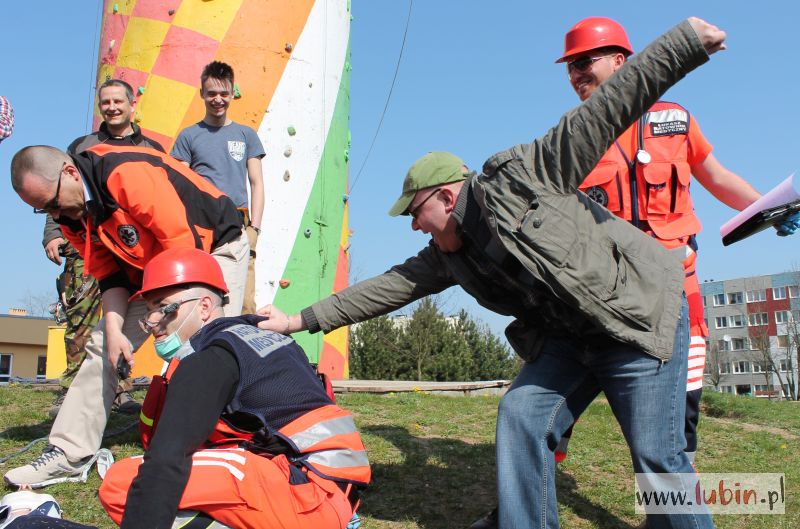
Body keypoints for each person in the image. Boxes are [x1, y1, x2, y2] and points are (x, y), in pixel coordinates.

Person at [256, 18, 727, 529]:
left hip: (635, 319)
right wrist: (296, 320)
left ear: (446, 196)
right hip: (570, 339)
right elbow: (382, 290)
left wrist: (685, 44)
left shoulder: (526, 176)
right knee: (522, 416)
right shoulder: (447, 255)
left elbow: (611, 107)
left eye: (415, 213)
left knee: (659, 459)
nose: (414, 226)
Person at [550, 15, 800, 468]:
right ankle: (528, 496)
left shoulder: (675, 121)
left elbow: (716, 176)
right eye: (569, 67)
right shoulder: (572, 137)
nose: (575, 75)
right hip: (608, 294)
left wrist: (766, 208)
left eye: (584, 61)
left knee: (678, 419)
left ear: (621, 61)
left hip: (677, 289)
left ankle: (665, 516)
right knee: (551, 414)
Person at [5, 142, 249, 488]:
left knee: (208, 340)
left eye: (54, 204)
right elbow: (111, 277)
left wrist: (163, 311)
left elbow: (186, 253)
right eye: (44, 211)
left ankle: (224, 441)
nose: (56, 217)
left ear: (70, 173)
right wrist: (116, 333)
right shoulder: (73, 216)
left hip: (212, 248)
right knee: (101, 345)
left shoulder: (126, 174)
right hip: (153, 270)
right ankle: (69, 453)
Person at [97, 247, 370, 529]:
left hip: (310, 498)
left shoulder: (212, 357)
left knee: (123, 483)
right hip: (335, 491)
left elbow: (166, 458)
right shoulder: (263, 338)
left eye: (163, 307)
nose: (153, 322)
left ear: (203, 307)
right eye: (149, 310)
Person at [43, 79, 166, 418]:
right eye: (105, 102)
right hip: (87, 242)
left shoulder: (151, 147)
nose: (111, 107)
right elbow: (60, 192)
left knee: (127, 318)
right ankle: (72, 390)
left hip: (132, 249)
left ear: (132, 105)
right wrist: (53, 233)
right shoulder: (83, 145)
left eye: (117, 101)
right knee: (81, 315)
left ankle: (120, 389)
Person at [171, 61, 265, 315]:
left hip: (238, 223)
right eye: (211, 93)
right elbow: (179, 184)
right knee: (198, 297)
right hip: (201, 225)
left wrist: (255, 227)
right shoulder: (188, 136)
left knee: (243, 303)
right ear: (202, 93)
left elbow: (256, 183)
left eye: (224, 93)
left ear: (233, 93)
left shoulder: (247, 135)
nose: (218, 99)